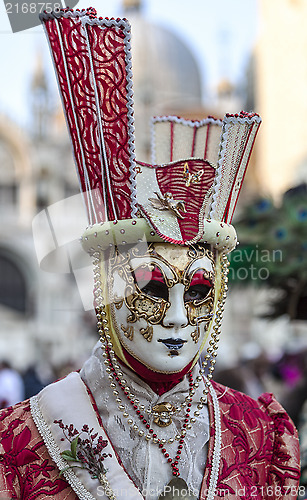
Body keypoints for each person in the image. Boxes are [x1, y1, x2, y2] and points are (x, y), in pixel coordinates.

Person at [0, 7, 300, 500]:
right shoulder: (23, 442)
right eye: (152, 287)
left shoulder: (258, 437)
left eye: (200, 291)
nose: (179, 318)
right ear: (107, 285)